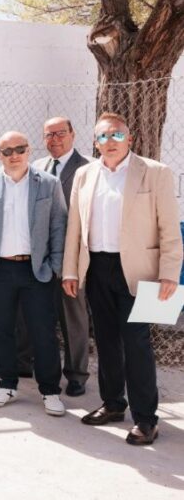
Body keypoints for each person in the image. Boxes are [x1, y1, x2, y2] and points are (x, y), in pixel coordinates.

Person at [63, 113, 182, 446]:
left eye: (117, 135)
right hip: (97, 267)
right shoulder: (85, 175)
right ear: (95, 142)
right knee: (105, 340)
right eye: (103, 136)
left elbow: (169, 228)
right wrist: (71, 270)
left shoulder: (155, 172)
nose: (110, 141)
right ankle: (113, 403)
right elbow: (75, 227)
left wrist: (169, 273)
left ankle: (146, 419)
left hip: (139, 271)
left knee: (136, 343)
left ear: (130, 139)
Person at [0, 131, 67, 416]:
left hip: (37, 270)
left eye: (19, 149)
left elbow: (59, 226)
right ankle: (7, 384)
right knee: (1, 330)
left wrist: (55, 266)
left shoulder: (48, 184)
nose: (14, 155)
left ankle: (50, 390)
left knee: (43, 331)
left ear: (29, 150)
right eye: (7, 151)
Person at [32, 116, 91, 397]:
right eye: (49, 134)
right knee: (31, 311)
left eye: (60, 133)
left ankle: (77, 375)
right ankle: (23, 364)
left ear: (73, 134)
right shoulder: (37, 167)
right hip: (40, 254)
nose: (54, 139)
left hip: (72, 255)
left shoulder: (88, 168)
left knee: (73, 315)